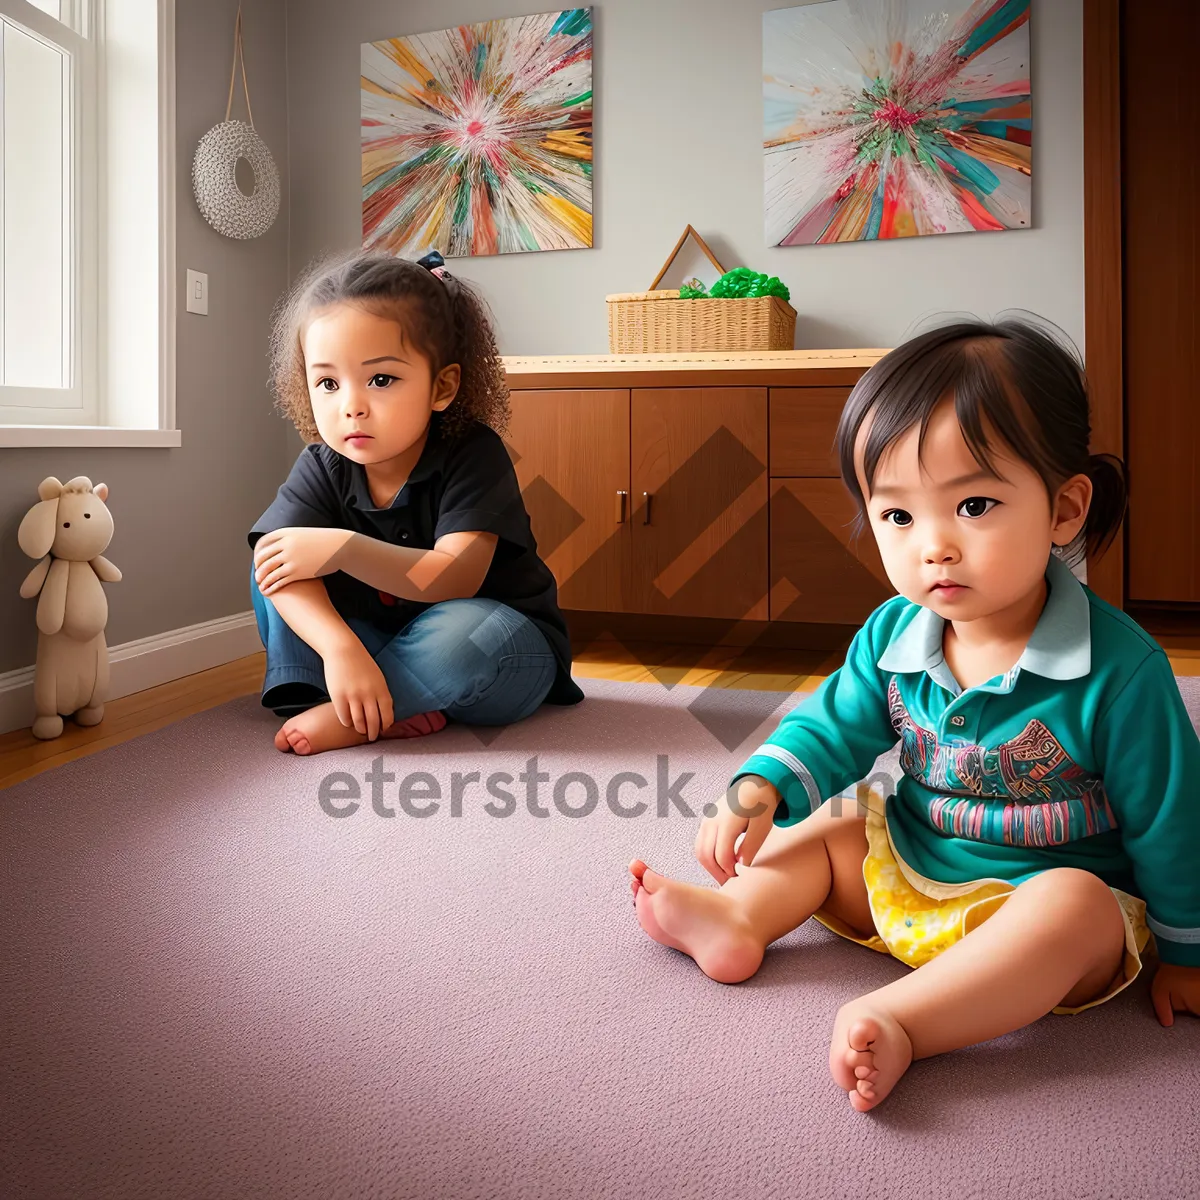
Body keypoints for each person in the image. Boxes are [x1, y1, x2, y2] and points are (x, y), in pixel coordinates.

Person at [627, 317, 1200, 1110]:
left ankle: (906, 1020)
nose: (933, 545)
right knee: (832, 825)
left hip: (1039, 911)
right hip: (914, 869)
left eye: (973, 504)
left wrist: (1188, 950)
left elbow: (1172, 820)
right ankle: (738, 917)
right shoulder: (894, 633)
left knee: (1074, 908)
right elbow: (834, 726)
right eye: (897, 517)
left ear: (1065, 511)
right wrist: (760, 785)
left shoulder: (1120, 670)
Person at [248, 249, 584, 755]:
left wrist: (344, 547)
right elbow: (278, 565)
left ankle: (362, 711)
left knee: (470, 635)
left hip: (499, 653)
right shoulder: (321, 464)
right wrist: (341, 648)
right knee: (275, 569)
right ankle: (377, 700)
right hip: (378, 645)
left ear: (441, 386)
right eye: (328, 383)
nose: (351, 406)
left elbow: (455, 577)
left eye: (380, 379)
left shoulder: (472, 453)